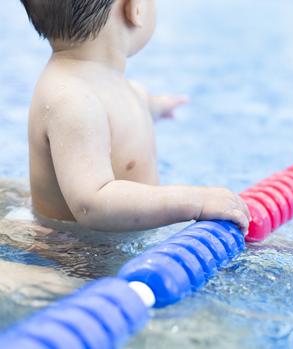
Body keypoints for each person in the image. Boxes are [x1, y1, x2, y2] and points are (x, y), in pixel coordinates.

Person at [20, 0, 251, 233]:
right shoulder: (71, 100)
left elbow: (118, 116)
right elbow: (93, 204)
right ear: (134, 8)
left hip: (119, 248)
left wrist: (153, 107)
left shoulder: (107, 87)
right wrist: (197, 200)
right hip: (69, 257)